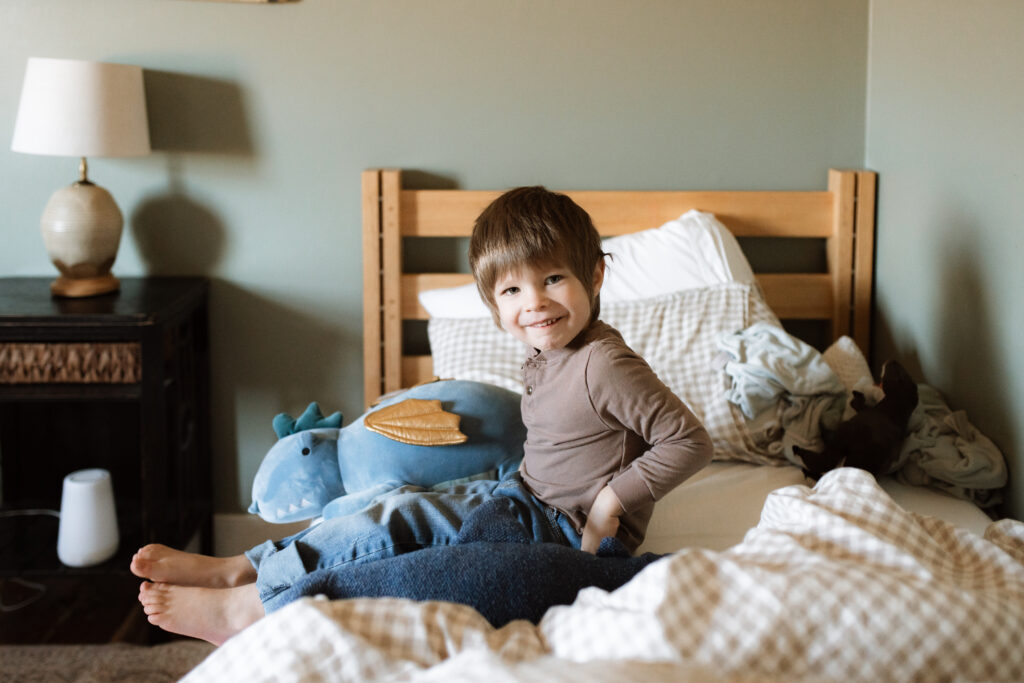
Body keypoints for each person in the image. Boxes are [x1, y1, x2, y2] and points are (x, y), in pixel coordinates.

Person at [133, 185, 713, 644]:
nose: (534, 301)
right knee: (394, 507)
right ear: (492, 304)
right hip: (524, 500)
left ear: (595, 276)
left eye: (553, 278)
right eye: (512, 290)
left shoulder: (603, 363)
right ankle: (248, 566)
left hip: (563, 530)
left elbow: (688, 441)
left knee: (400, 532)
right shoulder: (548, 353)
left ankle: (257, 600)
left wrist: (612, 502)